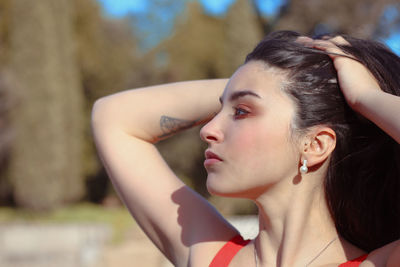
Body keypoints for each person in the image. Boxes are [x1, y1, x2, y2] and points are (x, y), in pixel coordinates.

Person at [91, 31, 400, 266]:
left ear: (316, 144)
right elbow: (114, 116)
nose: (208, 130)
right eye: (219, 110)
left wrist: (361, 96)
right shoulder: (210, 256)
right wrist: (255, 84)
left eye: (241, 112)